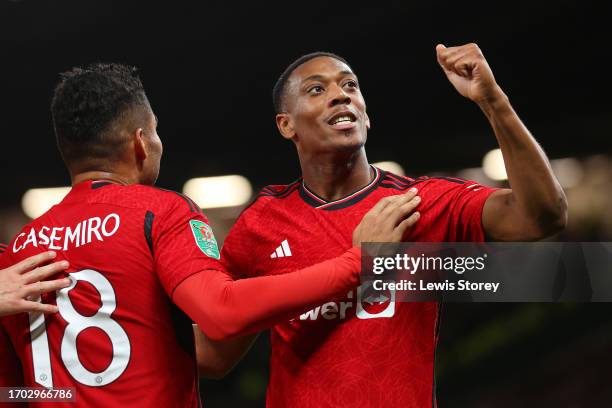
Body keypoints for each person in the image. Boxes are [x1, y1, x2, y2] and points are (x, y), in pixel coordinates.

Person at [0, 63, 420, 407]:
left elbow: (12, 392)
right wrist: (356, 263)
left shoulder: (16, 256)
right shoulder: (159, 212)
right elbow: (221, 312)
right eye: (157, 131)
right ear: (141, 143)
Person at [214, 44, 568, 407]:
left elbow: (543, 216)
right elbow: (215, 356)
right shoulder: (262, 224)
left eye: (350, 86)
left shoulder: (420, 204)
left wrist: (493, 101)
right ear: (286, 124)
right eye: (317, 89)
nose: (340, 95)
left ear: (366, 117)